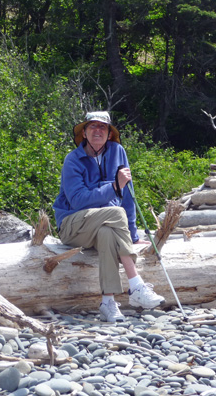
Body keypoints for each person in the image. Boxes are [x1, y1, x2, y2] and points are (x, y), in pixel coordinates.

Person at [53, 111, 165, 323]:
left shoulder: (118, 151)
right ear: (84, 133)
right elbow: (77, 200)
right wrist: (113, 187)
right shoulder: (73, 160)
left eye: (102, 127)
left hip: (105, 225)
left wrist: (131, 235)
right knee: (116, 212)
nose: (97, 131)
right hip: (72, 226)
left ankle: (108, 303)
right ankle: (136, 285)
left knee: (107, 234)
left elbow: (128, 196)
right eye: (92, 127)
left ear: (109, 133)